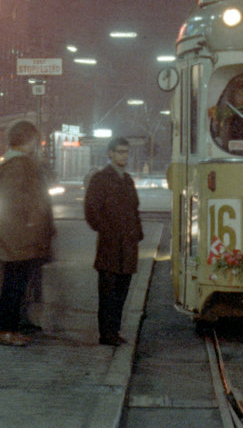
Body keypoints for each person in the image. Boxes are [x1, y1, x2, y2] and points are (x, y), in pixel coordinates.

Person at [0, 120, 54, 347]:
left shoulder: (21, 163)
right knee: (13, 286)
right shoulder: (18, 165)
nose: (36, 145)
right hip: (18, 238)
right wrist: (30, 224)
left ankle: (12, 328)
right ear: (26, 139)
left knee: (17, 285)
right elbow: (17, 201)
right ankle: (6, 330)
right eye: (34, 140)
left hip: (19, 236)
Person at [84, 136, 143, 346]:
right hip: (110, 246)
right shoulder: (100, 179)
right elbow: (92, 211)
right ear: (110, 153)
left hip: (127, 246)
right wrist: (107, 231)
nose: (124, 156)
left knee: (121, 293)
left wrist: (137, 234)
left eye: (126, 152)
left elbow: (134, 210)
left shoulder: (127, 180)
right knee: (108, 293)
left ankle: (114, 331)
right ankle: (107, 334)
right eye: (119, 152)